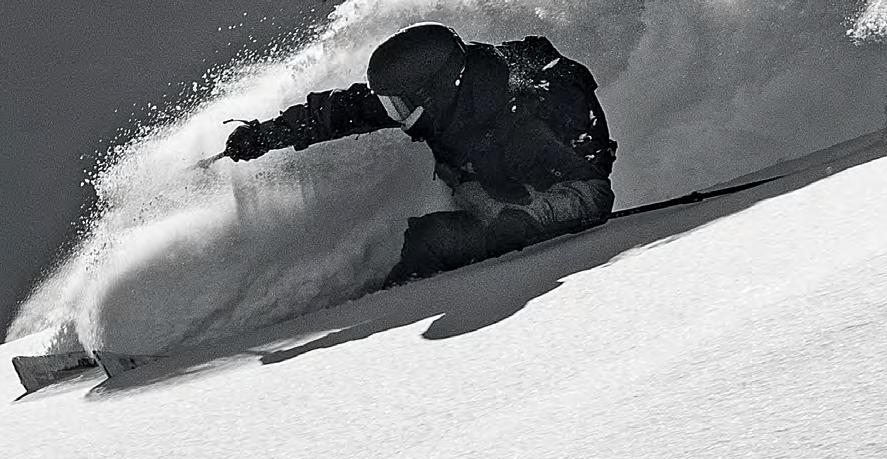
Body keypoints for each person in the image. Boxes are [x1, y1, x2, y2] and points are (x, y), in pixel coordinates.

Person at [224, 23, 616, 284]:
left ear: (437, 92)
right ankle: (401, 296)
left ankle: (404, 307)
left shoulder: (524, 121)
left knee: (432, 239)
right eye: (392, 106)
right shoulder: (438, 102)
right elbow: (345, 111)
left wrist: (529, 218)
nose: (395, 115)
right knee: (429, 237)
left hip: (531, 210)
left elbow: (594, 191)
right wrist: (266, 135)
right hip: (486, 189)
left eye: (400, 106)